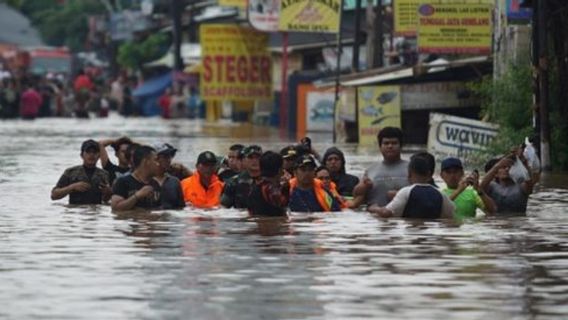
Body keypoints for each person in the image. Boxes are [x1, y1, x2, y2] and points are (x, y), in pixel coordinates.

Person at [368, 156, 455, 219]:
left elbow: (386, 213)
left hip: (411, 237)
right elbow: (451, 214)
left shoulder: (406, 192)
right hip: (431, 237)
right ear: (429, 175)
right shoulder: (441, 194)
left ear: (409, 174)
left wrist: (375, 208)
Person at [353, 127, 410, 207]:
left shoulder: (411, 168)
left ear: (401, 146)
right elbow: (357, 198)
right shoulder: (370, 171)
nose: (390, 146)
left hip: (403, 217)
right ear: (380, 146)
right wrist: (363, 187)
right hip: (375, 217)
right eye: (386, 143)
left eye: (394, 143)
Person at [51, 139, 111, 205]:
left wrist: (108, 192)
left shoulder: (104, 174)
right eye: (88, 152)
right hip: (76, 212)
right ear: (82, 155)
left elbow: (107, 199)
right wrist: (72, 187)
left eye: (94, 152)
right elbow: (54, 195)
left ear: (99, 156)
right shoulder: (71, 172)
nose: (91, 155)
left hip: (96, 212)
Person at [480, 150, 534, 215]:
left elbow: (529, 180)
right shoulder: (492, 187)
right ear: (496, 173)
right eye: (503, 167)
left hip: (517, 222)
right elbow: (481, 188)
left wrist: (523, 161)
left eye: (509, 167)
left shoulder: (522, 187)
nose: (507, 169)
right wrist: (498, 165)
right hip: (497, 222)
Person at [111, 145, 161, 211]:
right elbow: (115, 209)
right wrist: (137, 196)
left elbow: (159, 210)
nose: (158, 164)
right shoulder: (122, 182)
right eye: (155, 160)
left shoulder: (155, 184)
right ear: (145, 161)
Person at [248, 151, 290, 216]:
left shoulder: (254, 186)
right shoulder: (269, 188)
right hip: (271, 224)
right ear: (280, 170)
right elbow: (282, 203)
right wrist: (286, 188)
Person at [153, 143, 185, 209]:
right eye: (165, 157)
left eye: (170, 156)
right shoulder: (145, 180)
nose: (169, 160)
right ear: (155, 159)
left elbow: (181, 208)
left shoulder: (175, 182)